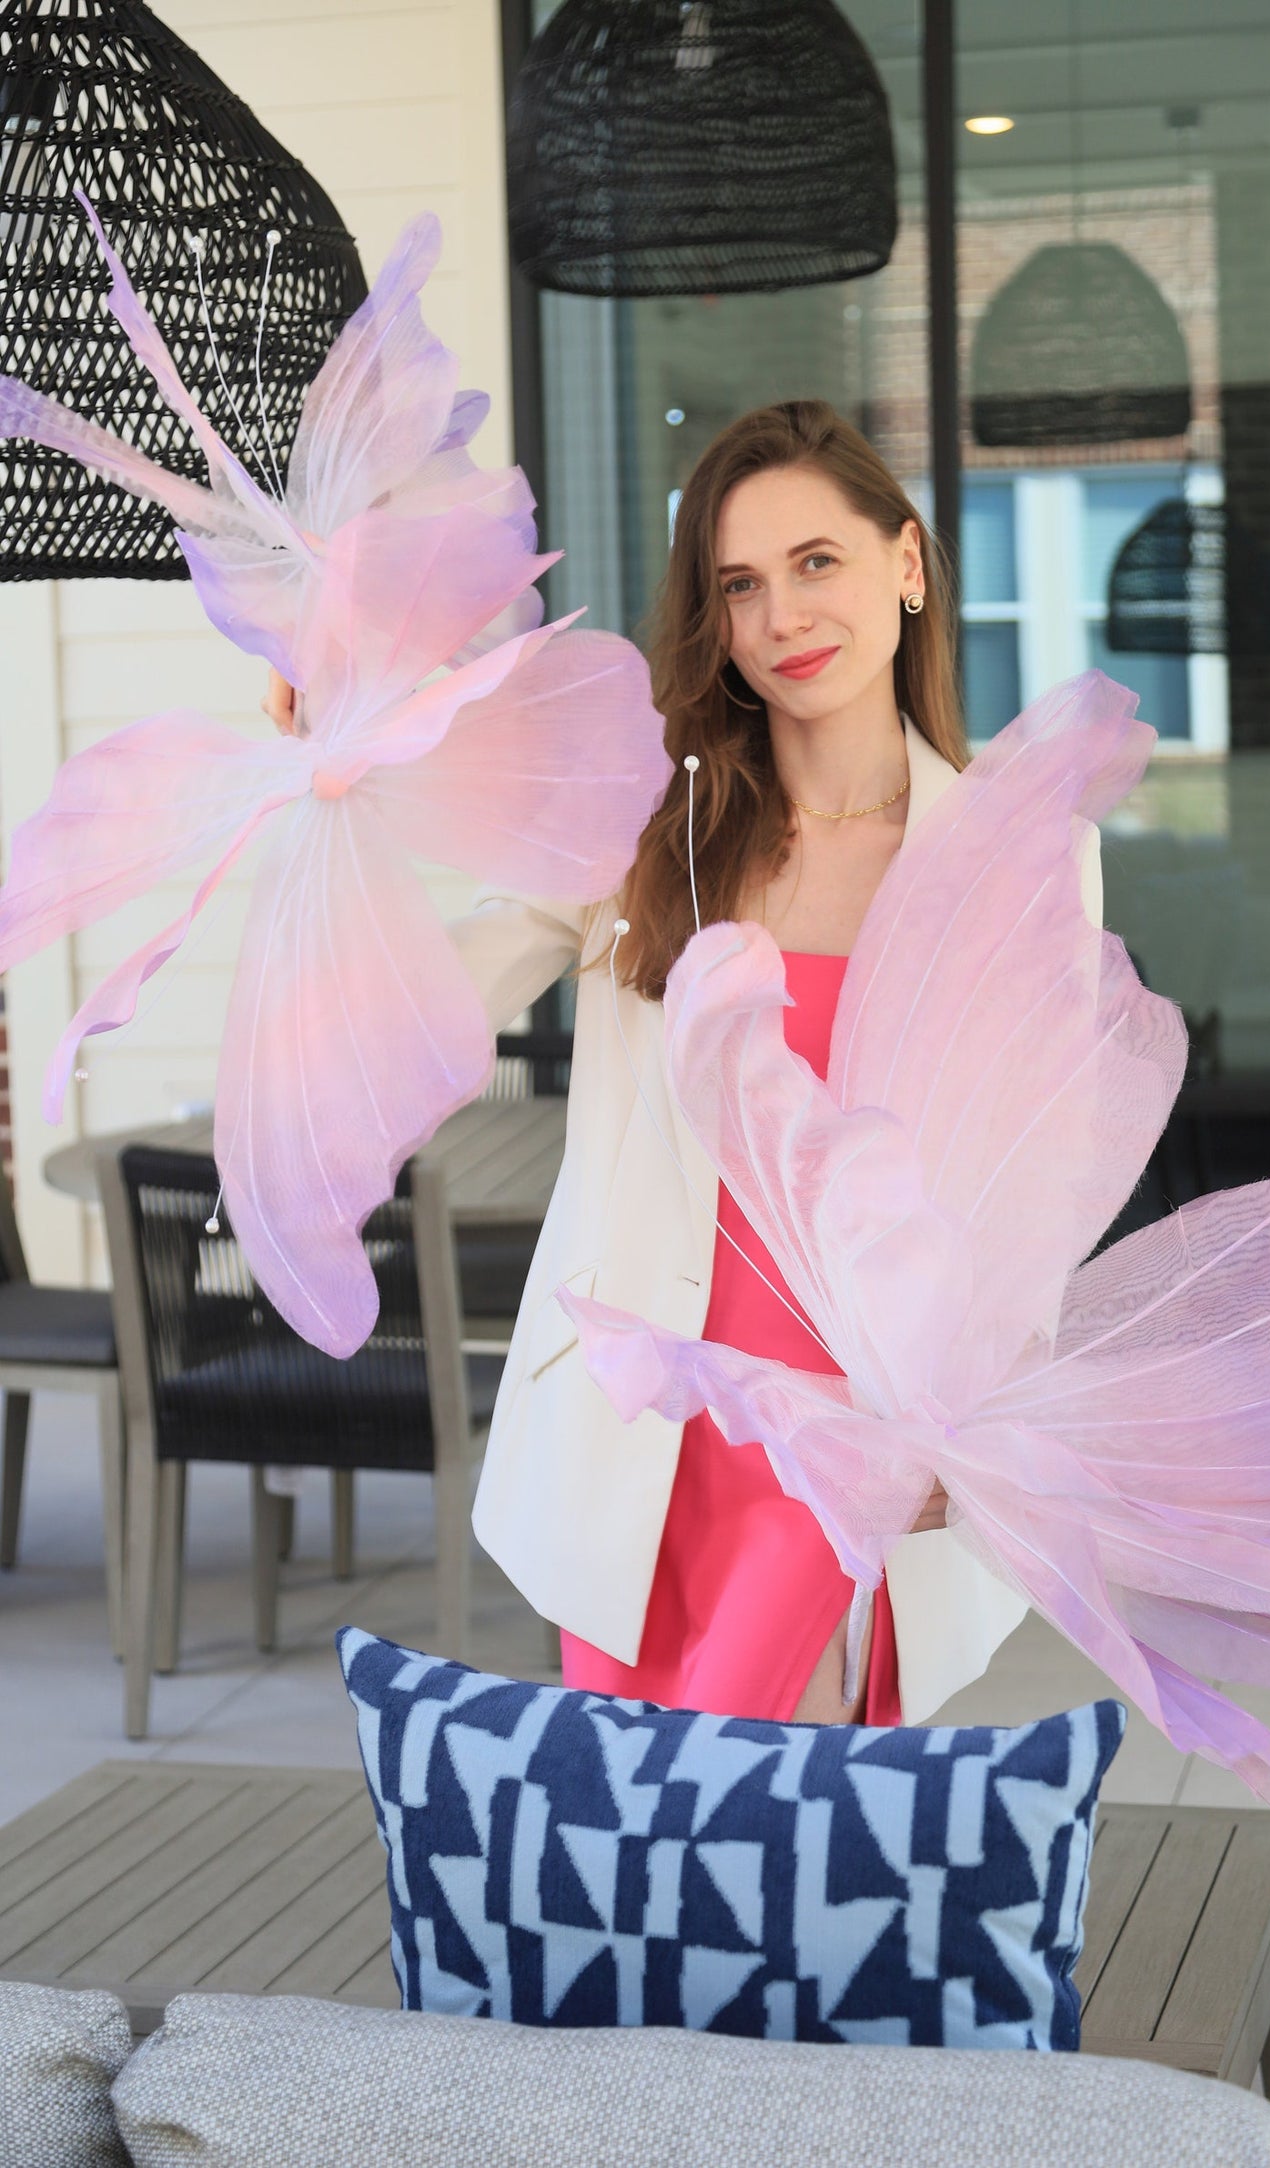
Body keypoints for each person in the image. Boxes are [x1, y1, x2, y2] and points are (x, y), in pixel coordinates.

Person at [265, 399, 1100, 1725]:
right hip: (648, 1433)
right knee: (645, 1815)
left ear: (905, 561)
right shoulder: (651, 825)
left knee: (767, 1797)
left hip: (859, 1440)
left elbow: (1042, 1174)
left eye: (815, 562)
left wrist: (986, 1419)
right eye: (740, 585)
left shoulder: (1023, 851)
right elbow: (426, 991)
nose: (782, 617)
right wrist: (341, 773)